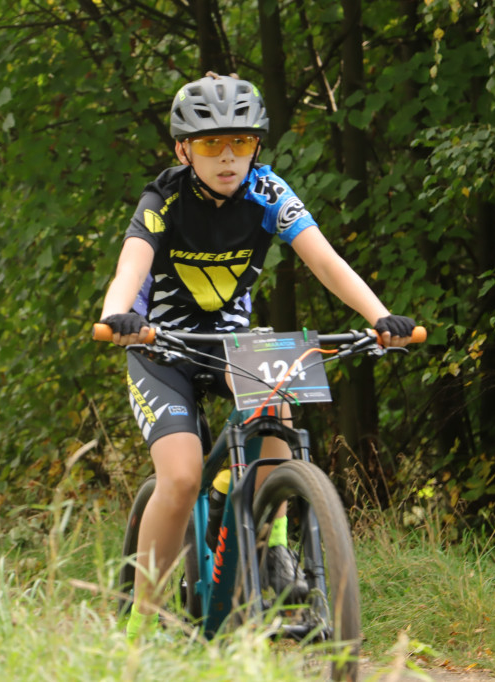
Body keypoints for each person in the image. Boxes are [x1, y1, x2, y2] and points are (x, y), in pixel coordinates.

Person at [98, 74, 417, 639]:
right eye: (210, 144)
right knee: (181, 478)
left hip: (232, 344)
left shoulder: (269, 192)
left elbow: (325, 260)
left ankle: (271, 544)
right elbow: (132, 265)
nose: (227, 157)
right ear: (182, 149)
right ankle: (138, 634)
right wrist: (119, 315)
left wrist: (379, 317)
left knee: (281, 407)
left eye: (240, 143)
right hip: (162, 347)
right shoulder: (162, 198)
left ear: (256, 147)